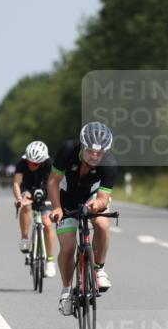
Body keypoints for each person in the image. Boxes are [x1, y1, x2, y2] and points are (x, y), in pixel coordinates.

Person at [48, 121, 117, 315]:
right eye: (90, 151)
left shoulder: (109, 163)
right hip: (65, 198)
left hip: (91, 197)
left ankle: (99, 268)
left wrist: (96, 206)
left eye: (100, 152)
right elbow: (53, 181)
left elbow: (103, 198)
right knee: (68, 247)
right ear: (82, 146)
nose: (95, 156)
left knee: (102, 223)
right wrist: (56, 208)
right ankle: (66, 291)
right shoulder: (67, 151)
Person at [13, 140, 57, 278]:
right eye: (29, 162)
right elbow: (16, 183)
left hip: (46, 191)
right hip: (28, 189)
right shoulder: (22, 162)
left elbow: (55, 182)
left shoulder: (50, 163)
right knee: (25, 206)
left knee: (47, 223)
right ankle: (25, 238)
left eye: (35, 164)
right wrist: (19, 198)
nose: (31, 165)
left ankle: (50, 261)